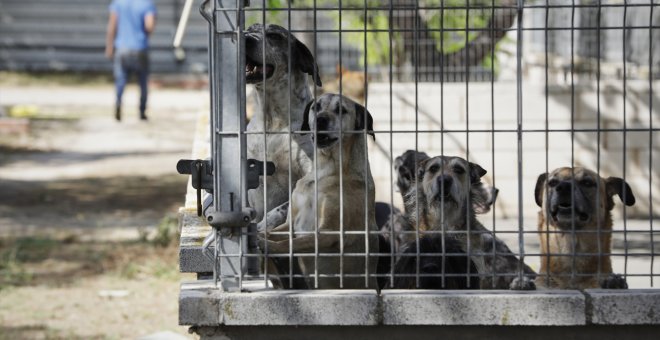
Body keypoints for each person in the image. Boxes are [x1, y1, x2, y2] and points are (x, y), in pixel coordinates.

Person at [105, 0, 156, 121]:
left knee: (120, 79)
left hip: (122, 48)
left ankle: (118, 104)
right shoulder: (146, 4)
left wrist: (109, 46)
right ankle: (142, 111)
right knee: (142, 82)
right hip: (140, 48)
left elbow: (112, 25)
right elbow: (149, 25)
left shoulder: (118, 3)